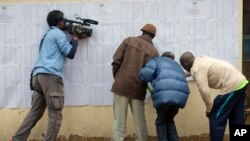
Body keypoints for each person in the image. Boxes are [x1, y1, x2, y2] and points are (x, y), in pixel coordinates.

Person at [12, 10, 86, 141]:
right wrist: (75, 38)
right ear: (59, 22)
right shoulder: (59, 33)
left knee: (35, 113)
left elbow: (60, 51)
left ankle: (17, 139)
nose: (66, 22)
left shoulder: (47, 35)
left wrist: (71, 39)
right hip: (50, 77)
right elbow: (70, 54)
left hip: (37, 76)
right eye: (64, 20)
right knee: (55, 116)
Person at [179, 52, 248, 141]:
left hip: (232, 86)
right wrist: (183, 75)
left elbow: (204, 91)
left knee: (215, 116)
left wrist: (209, 109)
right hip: (242, 82)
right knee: (237, 118)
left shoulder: (197, 69)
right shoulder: (201, 59)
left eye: (183, 66)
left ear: (185, 64)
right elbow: (193, 71)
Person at [111, 23, 159, 141]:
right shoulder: (154, 52)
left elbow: (116, 60)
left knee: (119, 121)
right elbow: (152, 74)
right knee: (140, 121)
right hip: (138, 89)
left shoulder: (128, 41)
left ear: (142, 31)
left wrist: (118, 77)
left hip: (121, 86)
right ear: (153, 36)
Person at [139, 52, 190, 141]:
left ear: (163, 56)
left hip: (164, 96)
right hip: (180, 97)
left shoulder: (157, 60)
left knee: (161, 122)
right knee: (169, 120)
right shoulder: (177, 65)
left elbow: (145, 74)